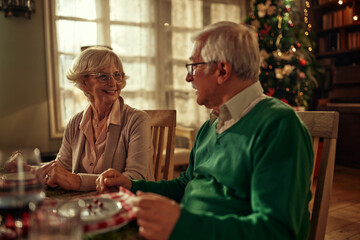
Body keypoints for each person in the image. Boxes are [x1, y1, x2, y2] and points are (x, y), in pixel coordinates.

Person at [96, 22, 314, 240]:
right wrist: (132, 185)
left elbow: (277, 233)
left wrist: (182, 225)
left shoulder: (278, 125)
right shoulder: (211, 125)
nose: (188, 78)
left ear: (222, 70)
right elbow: (186, 185)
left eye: (194, 67)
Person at [39, 46, 154, 191]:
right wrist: (29, 170)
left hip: (127, 206)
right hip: (87, 206)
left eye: (117, 75)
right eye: (103, 76)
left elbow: (135, 178)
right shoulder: (75, 123)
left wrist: (77, 181)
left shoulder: (137, 120)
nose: (113, 83)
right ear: (83, 83)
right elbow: (61, 167)